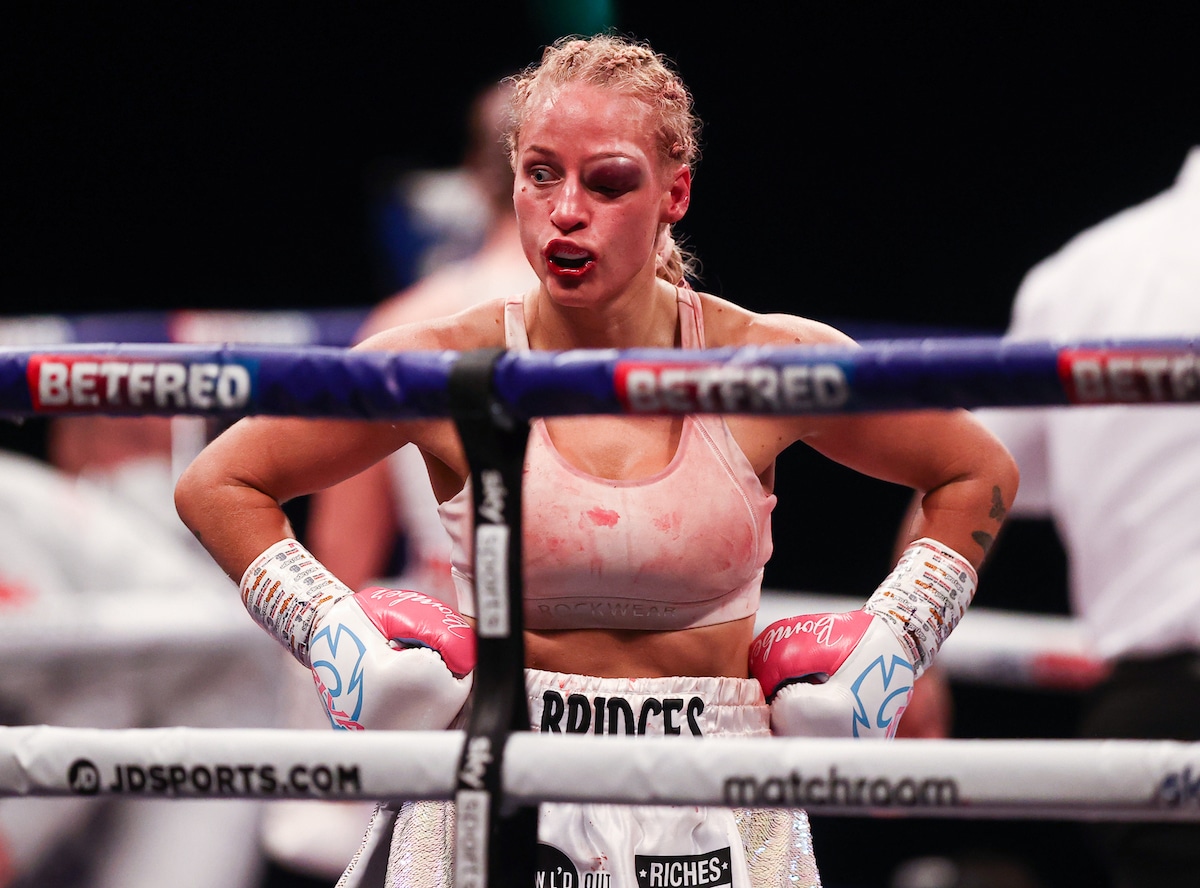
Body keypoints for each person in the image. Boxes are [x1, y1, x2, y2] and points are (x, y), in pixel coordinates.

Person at [175, 33, 1018, 887]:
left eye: (608, 181)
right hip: (502, 772)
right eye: (542, 174)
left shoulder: (759, 364)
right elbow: (220, 482)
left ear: (674, 194)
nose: (567, 211)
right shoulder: (445, 363)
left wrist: (899, 643)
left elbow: (977, 473)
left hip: (712, 794)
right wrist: (331, 632)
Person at [258, 77, 538, 888]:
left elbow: (337, 562)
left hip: (440, 676)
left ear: (473, 178)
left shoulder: (411, 324)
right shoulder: (655, 327)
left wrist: (320, 761)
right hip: (613, 690)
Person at [966, 145, 1200, 888]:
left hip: (1154, 714)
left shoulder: (1088, 275)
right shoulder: (1084, 279)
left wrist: (901, 650)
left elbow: (971, 476)